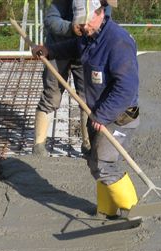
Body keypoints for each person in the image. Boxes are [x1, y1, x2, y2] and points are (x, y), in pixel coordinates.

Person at [31, 0, 139, 218]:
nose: (84, 29)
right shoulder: (89, 36)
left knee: (104, 164)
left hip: (120, 116)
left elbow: (126, 88)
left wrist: (102, 114)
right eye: (80, 24)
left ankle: (133, 211)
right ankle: (107, 210)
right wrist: (49, 50)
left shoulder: (117, 42)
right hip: (98, 112)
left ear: (99, 13)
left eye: (86, 23)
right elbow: (73, 47)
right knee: (93, 161)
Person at [33, 0, 110, 156]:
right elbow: (50, 20)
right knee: (52, 97)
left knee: (88, 98)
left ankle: (88, 144)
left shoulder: (104, 4)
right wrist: (70, 28)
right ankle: (39, 145)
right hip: (57, 50)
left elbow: (105, 25)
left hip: (84, 50)